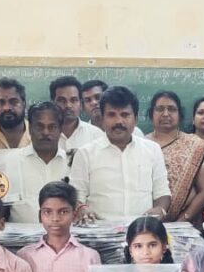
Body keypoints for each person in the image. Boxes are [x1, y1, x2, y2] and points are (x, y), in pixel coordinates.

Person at [69, 86, 171, 221]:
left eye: (125, 115)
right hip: (99, 230)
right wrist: (82, 208)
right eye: (111, 115)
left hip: (142, 230)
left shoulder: (153, 150)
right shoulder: (85, 154)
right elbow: (76, 196)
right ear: (102, 119)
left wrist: (160, 209)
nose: (118, 121)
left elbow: (162, 193)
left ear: (136, 119)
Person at [146, 90, 204, 223]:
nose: (165, 114)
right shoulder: (141, 144)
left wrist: (182, 221)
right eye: (160, 109)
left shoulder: (195, 145)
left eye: (171, 109)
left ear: (179, 115)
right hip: (145, 222)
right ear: (151, 114)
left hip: (185, 224)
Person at [8, 102, 71, 223]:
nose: (45, 132)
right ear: (30, 129)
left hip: (62, 233)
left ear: (60, 130)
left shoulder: (71, 163)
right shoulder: (12, 161)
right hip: (20, 234)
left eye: (52, 127)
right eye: (39, 127)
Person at [50, 76, 104, 155]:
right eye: (62, 100)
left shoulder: (96, 135)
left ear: (81, 104)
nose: (68, 105)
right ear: (52, 103)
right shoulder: (44, 134)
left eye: (74, 100)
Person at [0, 77, 31, 149]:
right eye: (0, 102)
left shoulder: (38, 134)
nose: (7, 108)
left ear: (24, 104)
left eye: (13, 102)